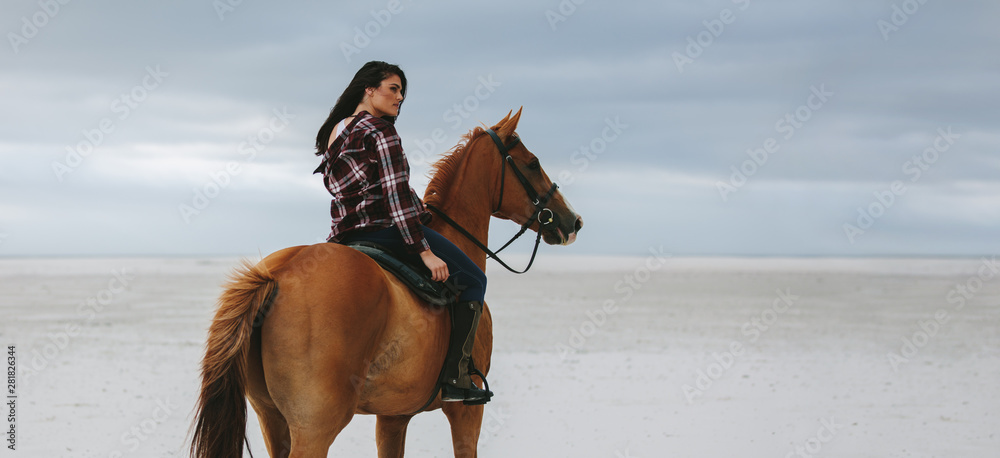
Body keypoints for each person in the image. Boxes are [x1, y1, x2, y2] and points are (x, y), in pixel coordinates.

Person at [314, 61, 491, 404]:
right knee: (473, 280)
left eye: (402, 92)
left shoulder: (337, 131)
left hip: (344, 236)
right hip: (385, 230)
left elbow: (358, 189)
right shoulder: (382, 132)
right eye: (393, 89)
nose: (399, 97)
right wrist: (424, 250)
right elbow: (394, 196)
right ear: (369, 88)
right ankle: (456, 378)